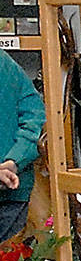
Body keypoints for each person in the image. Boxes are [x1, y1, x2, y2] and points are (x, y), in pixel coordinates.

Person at [0, 50, 46, 242]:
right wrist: (14, 161)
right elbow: (34, 118)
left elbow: (34, 115)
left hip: (13, 193)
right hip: (13, 187)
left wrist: (12, 163)